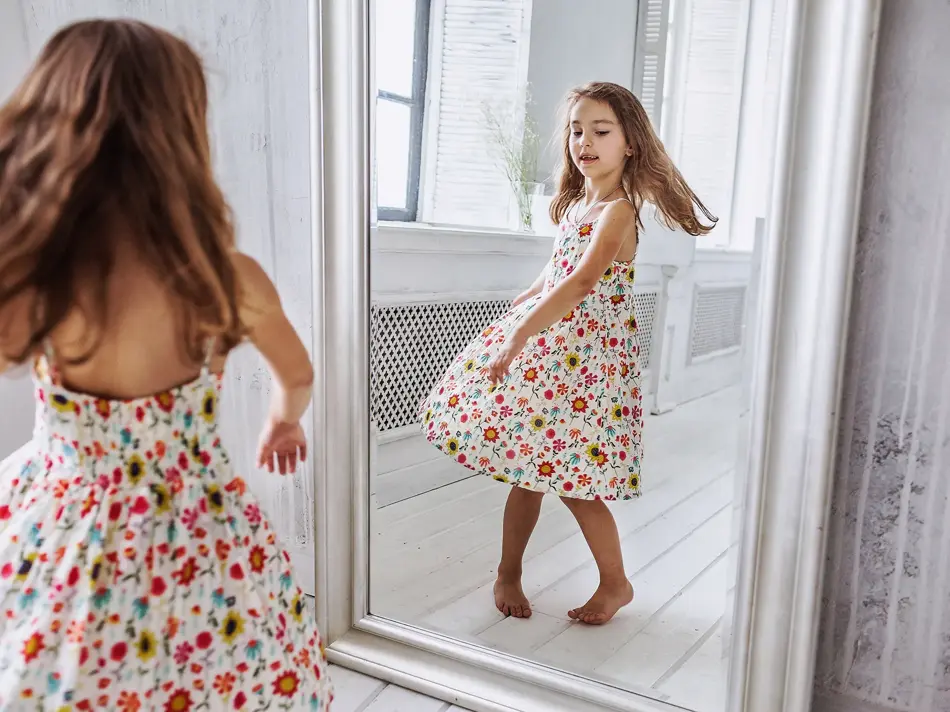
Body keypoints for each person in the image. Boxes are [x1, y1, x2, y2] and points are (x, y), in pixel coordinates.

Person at [0, 19, 332, 710]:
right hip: (197, 533)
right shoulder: (226, 279)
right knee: (218, 677)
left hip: (62, 521)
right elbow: (298, 375)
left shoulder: (37, 279)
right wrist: (283, 422)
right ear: (182, 136)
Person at [421, 82, 716, 625]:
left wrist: (519, 334)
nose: (585, 142)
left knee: (575, 485)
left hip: (585, 369)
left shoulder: (618, 212)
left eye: (601, 131)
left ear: (630, 143)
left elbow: (581, 283)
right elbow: (557, 270)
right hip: (554, 356)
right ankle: (508, 571)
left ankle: (616, 582)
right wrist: (530, 295)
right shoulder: (580, 206)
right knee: (527, 472)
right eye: (577, 131)